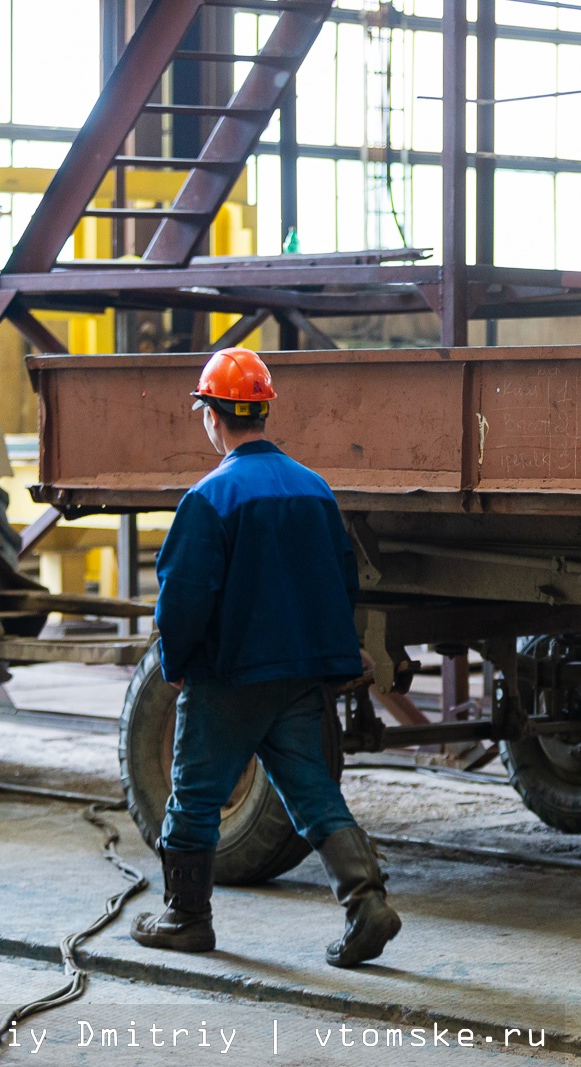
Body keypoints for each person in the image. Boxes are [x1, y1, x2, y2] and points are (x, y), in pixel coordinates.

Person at [130, 347, 400, 968]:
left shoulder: (210, 497)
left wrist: (177, 662)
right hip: (299, 674)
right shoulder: (313, 488)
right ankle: (367, 905)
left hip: (230, 675)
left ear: (212, 416)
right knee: (310, 789)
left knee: (194, 795)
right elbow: (342, 580)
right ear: (261, 411)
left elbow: (184, 595)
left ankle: (187, 916)